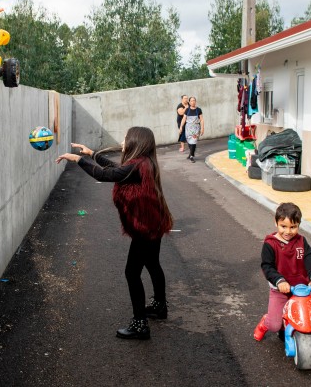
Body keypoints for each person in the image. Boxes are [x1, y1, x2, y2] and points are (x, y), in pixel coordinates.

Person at [55, 126, 173, 340]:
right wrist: (91, 154)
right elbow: (118, 169)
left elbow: (106, 174)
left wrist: (77, 159)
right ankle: (159, 306)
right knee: (152, 264)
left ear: (136, 142)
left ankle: (140, 325)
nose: (122, 141)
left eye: (126, 138)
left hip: (144, 229)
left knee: (132, 272)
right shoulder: (144, 162)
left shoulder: (138, 164)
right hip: (153, 224)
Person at [253, 202, 311, 341]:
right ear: (276, 222)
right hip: (280, 289)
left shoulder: (301, 241)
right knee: (275, 325)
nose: (288, 231)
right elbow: (267, 266)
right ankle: (266, 322)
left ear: (299, 225)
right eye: (284, 226)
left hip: (302, 288)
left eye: (293, 227)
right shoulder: (270, 244)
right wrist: (279, 281)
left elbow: (309, 258)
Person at [179, 96, 204, 163]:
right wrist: (181, 127)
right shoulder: (187, 110)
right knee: (190, 142)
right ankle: (190, 153)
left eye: (194, 100)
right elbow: (184, 119)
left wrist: (202, 129)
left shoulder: (198, 110)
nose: (193, 102)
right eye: (191, 101)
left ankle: (191, 156)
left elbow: (201, 120)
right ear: (189, 102)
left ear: (195, 101)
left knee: (194, 142)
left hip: (195, 129)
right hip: (188, 128)